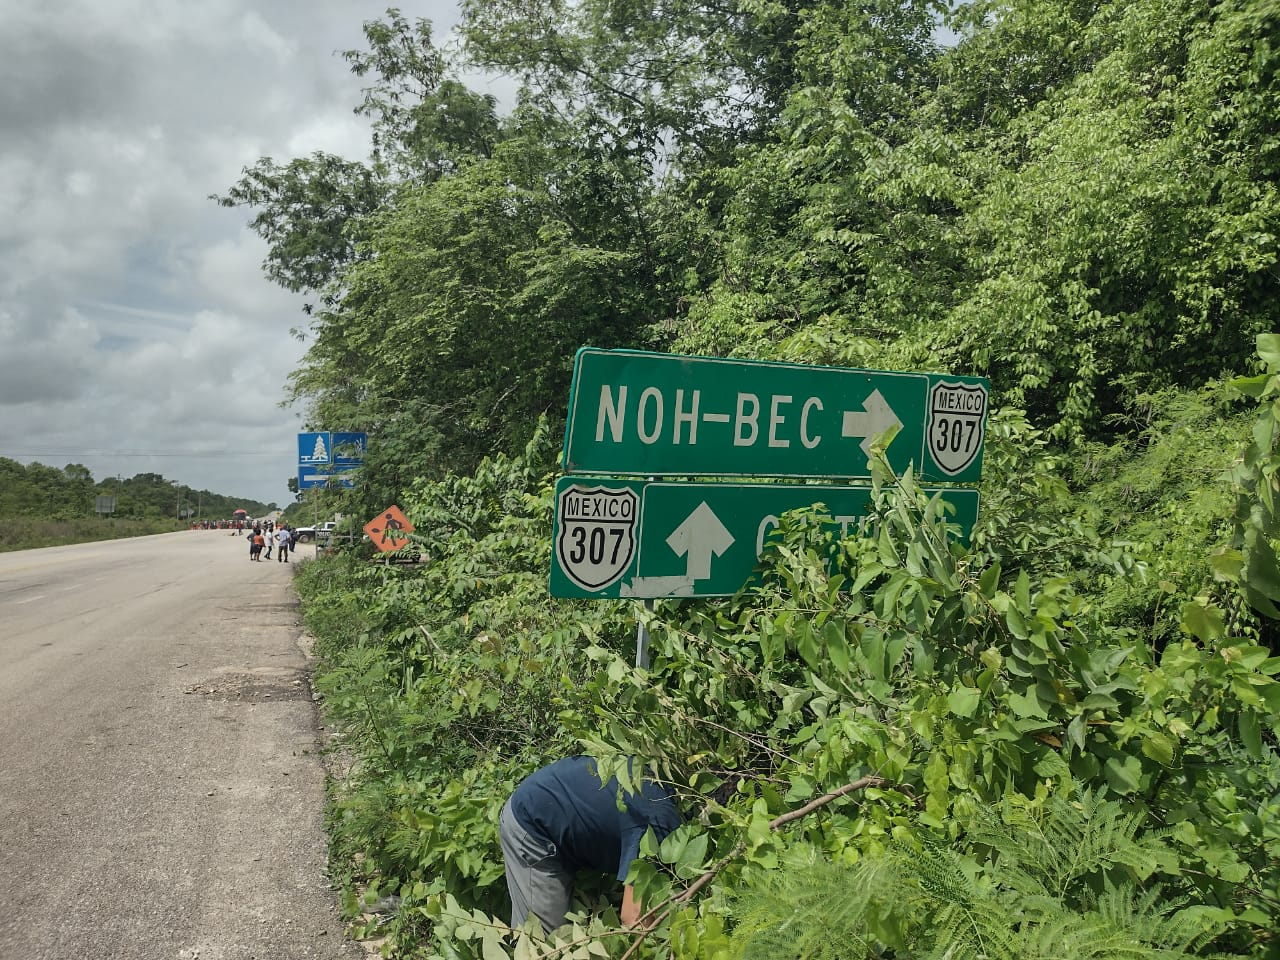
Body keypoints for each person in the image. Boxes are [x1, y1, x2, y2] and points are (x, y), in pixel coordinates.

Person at [498, 755, 682, 934]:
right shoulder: (660, 819)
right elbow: (635, 921)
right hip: (533, 824)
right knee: (544, 942)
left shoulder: (664, 782)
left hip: (560, 813)